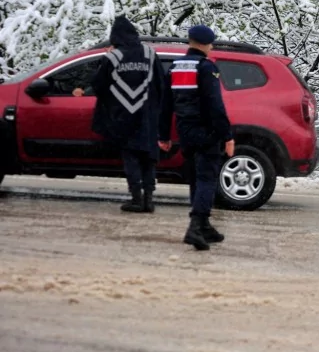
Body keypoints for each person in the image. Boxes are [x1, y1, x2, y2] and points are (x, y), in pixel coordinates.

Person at [77, 15, 167, 213]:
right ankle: (149, 200)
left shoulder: (113, 57)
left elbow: (99, 85)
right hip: (147, 117)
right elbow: (161, 84)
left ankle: (136, 198)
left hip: (123, 116)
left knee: (131, 156)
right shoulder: (150, 54)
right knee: (148, 156)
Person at [159, 25, 235, 251]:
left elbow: (166, 104)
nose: (211, 48)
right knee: (207, 178)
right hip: (206, 132)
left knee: (196, 178)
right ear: (204, 44)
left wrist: (163, 135)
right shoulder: (206, 68)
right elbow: (215, 105)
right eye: (210, 44)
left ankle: (203, 226)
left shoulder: (175, 67)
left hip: (185, 132)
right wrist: (227, 136)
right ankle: (195, 225)